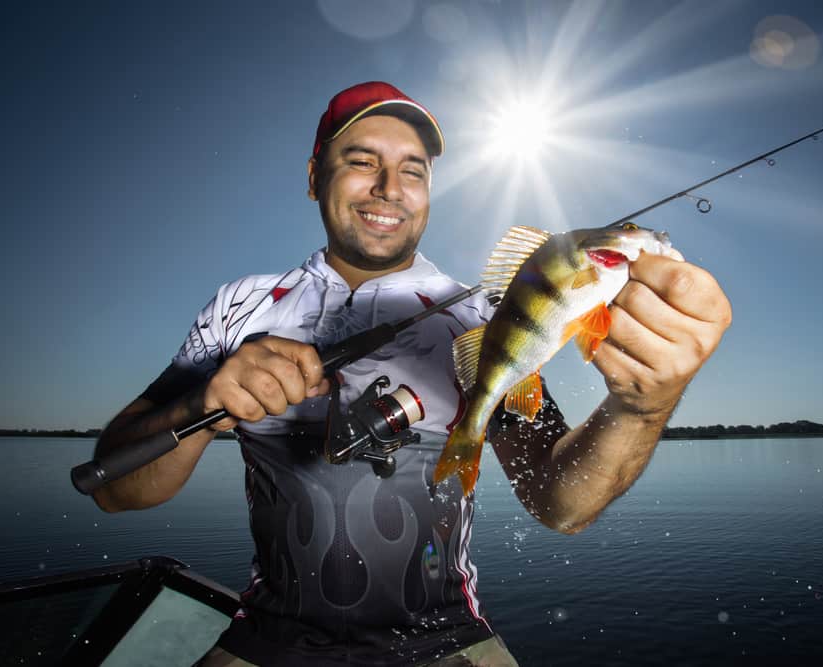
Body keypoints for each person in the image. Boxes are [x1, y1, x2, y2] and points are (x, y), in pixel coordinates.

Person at [90, 81, 732, 666]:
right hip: (263, 642)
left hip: (450, 646)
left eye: (412, 171)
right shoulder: (239, 307)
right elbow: (115, 489)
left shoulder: (483, 318)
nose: (388, 188)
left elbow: (560, 503)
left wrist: (642, 407)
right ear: (315, 177)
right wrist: (201, 404)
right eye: (362, 161)